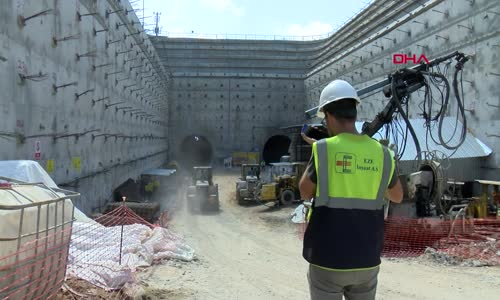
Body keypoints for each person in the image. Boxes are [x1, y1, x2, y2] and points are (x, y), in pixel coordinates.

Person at [299, 79, 403, 300]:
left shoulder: (323, 150)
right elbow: (397, 195)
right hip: (366, 258)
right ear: (355, 113)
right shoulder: (383, 153)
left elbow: (304, 191)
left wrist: (318, 150)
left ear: (327, 116)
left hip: (327, 259)